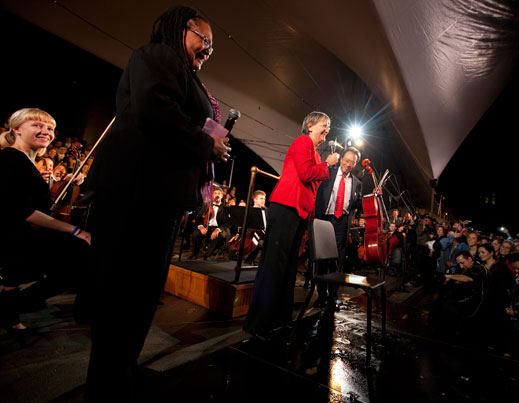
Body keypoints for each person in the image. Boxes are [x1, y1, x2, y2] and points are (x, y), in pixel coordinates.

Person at [84, 6, 231, 400]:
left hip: (158, 196)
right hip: (137, 193)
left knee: (141, 296)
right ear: (183, 27)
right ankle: (107, 385)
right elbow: (156, 109)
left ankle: (123, 371)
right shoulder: (158, 54)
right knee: (123, 296)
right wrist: (207, 144)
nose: (208, 50)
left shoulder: (183, 70)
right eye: (205, 40)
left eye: (212, 47)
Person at [243, 111, 339, 337]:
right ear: (311, 125)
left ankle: (279, 319)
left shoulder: (315, 152)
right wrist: (327, 164)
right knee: (274, 266)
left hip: (298, 212)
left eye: (329, 126)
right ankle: (259, 323)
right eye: (324, 125)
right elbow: (306, 174)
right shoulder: (303, 141)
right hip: (286, 207)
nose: (327, 130)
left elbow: (313, 184)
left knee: (287, 269)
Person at [0, 108, 91, 333]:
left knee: (74, 264)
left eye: (50, 128)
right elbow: (21, 210)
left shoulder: (26, 160)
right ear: (16, 129)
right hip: (15, 233)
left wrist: (72, 181)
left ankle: (10, 309)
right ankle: (9, 307)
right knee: (79, 259)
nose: (46, 131)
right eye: (37, 125)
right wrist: (73, 229)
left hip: (25, 232)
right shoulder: (10, 158)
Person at [314, 147, 363, 307]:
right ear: (341, 158)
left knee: (337, 261)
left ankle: (332, 296)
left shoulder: (357, 183)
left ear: (355, 165)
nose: (348, 164)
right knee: (322, 260)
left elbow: (358, 204)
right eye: (346, 160)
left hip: (342, 223)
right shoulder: (329, 172)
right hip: (325, 219)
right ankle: (321, 296)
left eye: (352, 162)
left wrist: (374, 196)